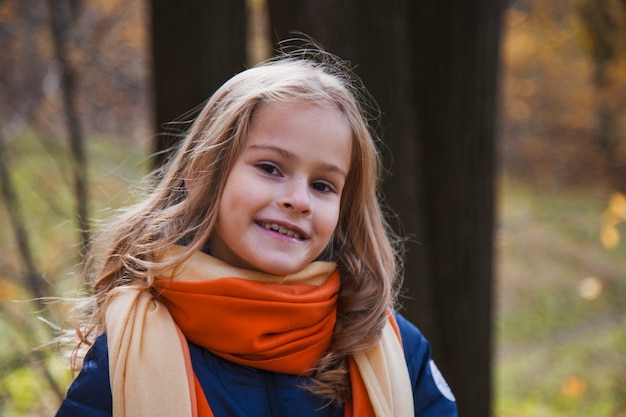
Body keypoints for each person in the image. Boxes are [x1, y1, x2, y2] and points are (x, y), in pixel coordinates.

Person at [55, 45, 457, 417]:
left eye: (322, 185)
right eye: (270, 168)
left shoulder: (396, 350)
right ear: (202, 173)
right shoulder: (127, 353)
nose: (299, 199)